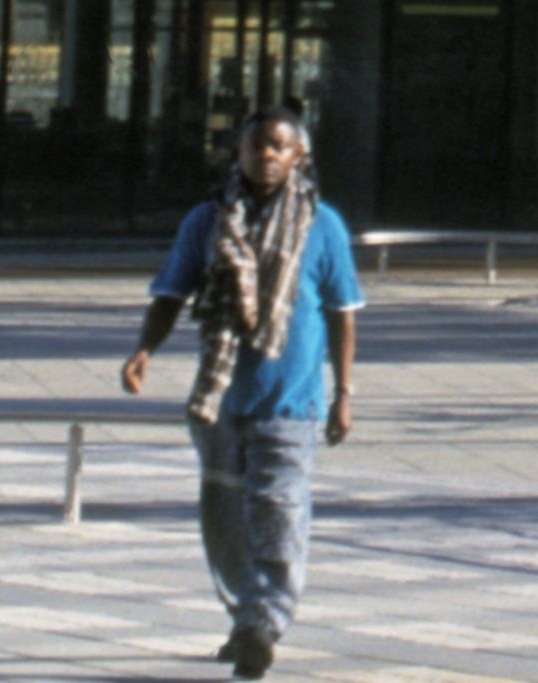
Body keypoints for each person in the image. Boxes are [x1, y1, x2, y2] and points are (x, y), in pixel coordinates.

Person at [120, 107, 365, 677]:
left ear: (299, 157)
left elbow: (342, 314)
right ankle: (245, 615)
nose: (267, 155)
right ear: (240, 152)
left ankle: (265, 622)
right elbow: (170, 294)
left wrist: (344, 392)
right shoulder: (206, 222)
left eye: (280, 147)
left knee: (279, 511)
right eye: (257, 146)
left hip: (291, 399)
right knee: (224, 515)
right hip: (221, 400)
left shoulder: (322, 225)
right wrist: (144, 350)